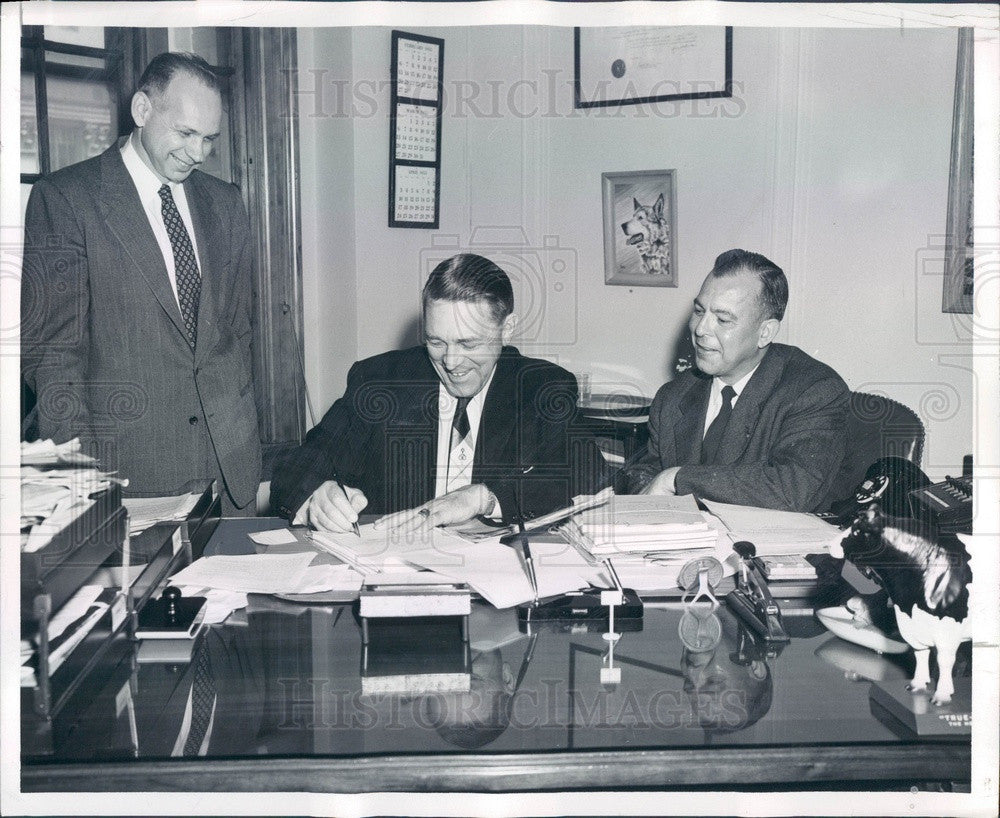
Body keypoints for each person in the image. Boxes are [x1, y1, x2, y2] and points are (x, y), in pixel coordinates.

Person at [21, 52, 261, 515]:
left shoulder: (226, 204)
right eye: (186, 133)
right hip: (128, 480)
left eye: (210, 138)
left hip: (232, 477)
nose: (198, 153)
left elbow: (237, 332)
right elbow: (54, 360)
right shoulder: (67, 199)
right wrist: (89, 484)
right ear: (142, 110)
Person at [270, 253, 607, 531]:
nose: (451, 361)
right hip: (392, 575)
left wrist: (484, 499)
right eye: (436, 341)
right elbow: (303, 461)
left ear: (507, 329)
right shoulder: (381, 380)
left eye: (468, 343)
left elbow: (589, 483)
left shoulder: (540, 387)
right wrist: (318, 494)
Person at [625, 249, 848, 512]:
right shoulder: (674, 395)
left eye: (722, 319)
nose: (700, 329)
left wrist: (676, 479)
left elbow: (792, 489)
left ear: (765, 332)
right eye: (699, 311)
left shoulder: (814, 390)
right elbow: (643, 472)